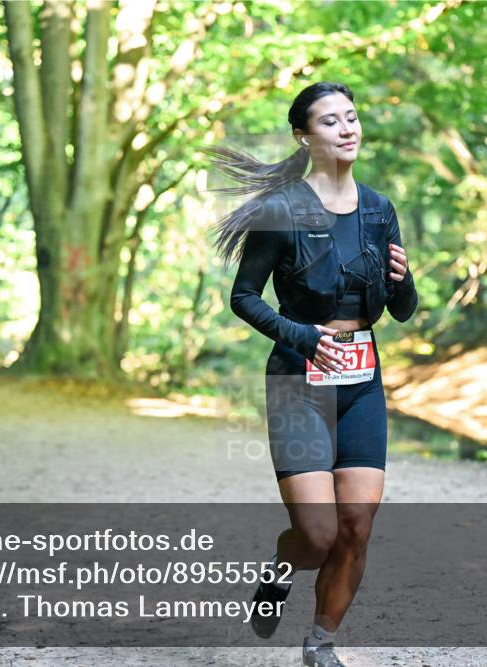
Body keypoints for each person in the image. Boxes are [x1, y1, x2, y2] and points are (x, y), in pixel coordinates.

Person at [206, 82, 418, 667]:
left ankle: (320, 642)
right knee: (318, 534)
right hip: (298, 382)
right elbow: (244, 297)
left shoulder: (379, 210)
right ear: (304, 136)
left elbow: (401, 309)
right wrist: (301, 337)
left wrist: (404, 281)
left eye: (352, 117)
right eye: (331, 121)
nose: (347, 128)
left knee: (356, 525)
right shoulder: (282, 210)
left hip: (361, 382)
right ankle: (281, 570)